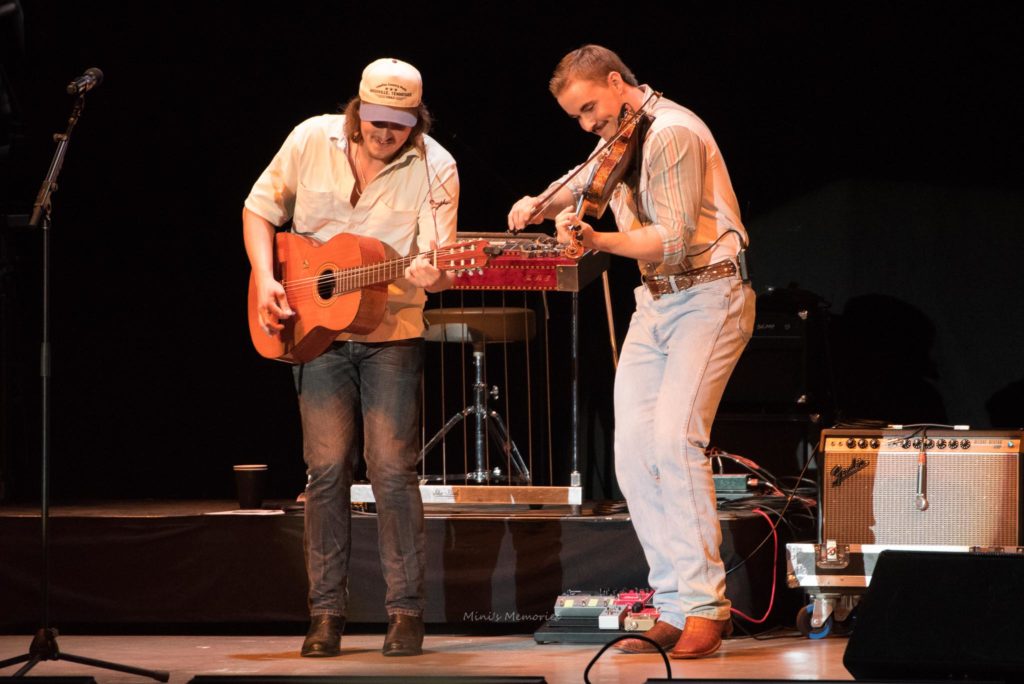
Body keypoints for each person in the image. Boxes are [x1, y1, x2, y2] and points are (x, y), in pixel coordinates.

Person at [508, 45, 754, 659]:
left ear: (617, 82)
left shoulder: (670, 132)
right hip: (657, 303)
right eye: (576, 116)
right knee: (634, 455)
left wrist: (596, 239)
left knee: (674, 443)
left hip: (708, 294)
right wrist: (540, 203)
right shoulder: (620, 133)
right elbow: (583, 178)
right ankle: (671, 605)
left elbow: (671, 241)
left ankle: (705, 607)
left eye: (590, 107)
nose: (587, 123)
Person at [242, 57, 459, 658]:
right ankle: (325, 614)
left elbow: (439, 264)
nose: (385, 133)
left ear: (417, 121)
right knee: (327, 470)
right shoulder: (311, 138)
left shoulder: (438, 167)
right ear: (357, 109)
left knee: (392, 471)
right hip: (315, 334)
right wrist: (266, 279)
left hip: (393, 333)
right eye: (377, 120)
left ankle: (405, 613)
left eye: (400, 124)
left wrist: (436, 273)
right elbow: (259, 208)